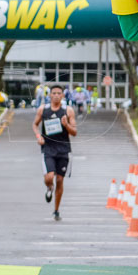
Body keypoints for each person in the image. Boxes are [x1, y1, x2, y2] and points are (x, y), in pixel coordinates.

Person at [33, 83, 77, 221]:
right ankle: (49, 187)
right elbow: (35, 124)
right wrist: (39, 136)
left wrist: (66, 125)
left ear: (63, 95)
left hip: (63, 149)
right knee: (49, 177)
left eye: (59, 93)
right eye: (54, 93)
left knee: (60, 179)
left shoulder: (68, 111)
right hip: (48, 148)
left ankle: (56, 210)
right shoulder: (43, 109)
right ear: (50, 95)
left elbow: (74, 132)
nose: (56, 95)